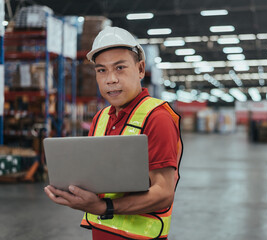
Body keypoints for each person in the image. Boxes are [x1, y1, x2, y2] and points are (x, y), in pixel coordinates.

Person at [44, 26, 183, 240]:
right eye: (102, 70)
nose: (111, 79)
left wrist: (103, 207)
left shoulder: (157, 118)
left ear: (140, 69)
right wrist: (72, 191)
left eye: (119, 68)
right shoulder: (101, 118)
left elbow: (164, 193)